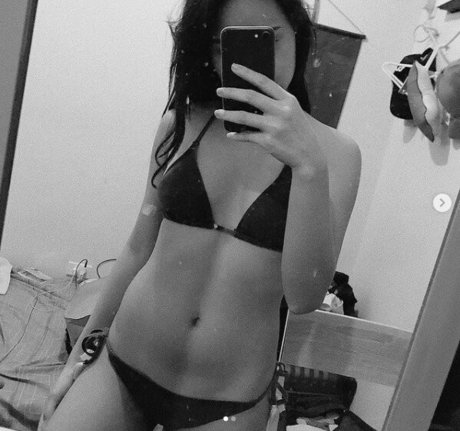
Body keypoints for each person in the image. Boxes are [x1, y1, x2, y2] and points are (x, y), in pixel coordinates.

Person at [41, 0, 361, 429]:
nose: (245, 63)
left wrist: (308, 168)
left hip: (229, 401)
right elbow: (137, 249)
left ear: (298, 36)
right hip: (122, 365)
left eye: (267, 38)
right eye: (224, 43)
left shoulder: (336, 155)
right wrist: (81, 354)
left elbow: (304, 297)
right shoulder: (183, 123)